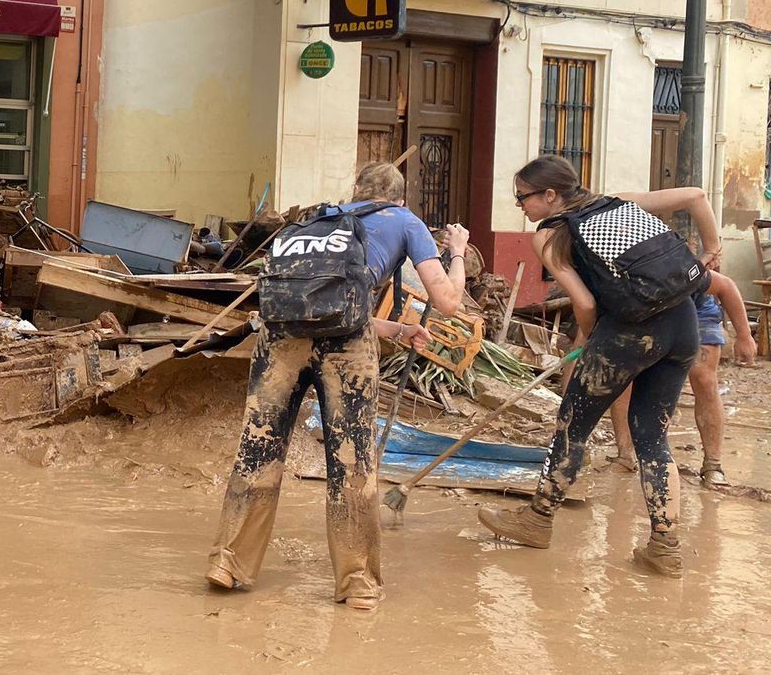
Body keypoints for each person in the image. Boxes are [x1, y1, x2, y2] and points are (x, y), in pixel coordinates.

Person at [206, 162, 469, 610]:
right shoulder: (405, 221)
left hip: (279, 339)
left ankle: (228, 563)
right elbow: (447, 301)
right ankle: (358, 583)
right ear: (400, 199)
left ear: (356, 191)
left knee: (258, 451)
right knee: (351, 460)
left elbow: (319, 304)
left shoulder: (318, 219)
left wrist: (395, 331)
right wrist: (457, 250)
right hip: (344, 347)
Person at [479, 155, 719, 578]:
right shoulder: (620, 201)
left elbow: (586, 304)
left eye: (523, 198)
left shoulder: (552, 234)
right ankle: (664, 546)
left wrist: (588, 339)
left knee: (572, 426)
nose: (521, 207)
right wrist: (712, 249)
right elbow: (698, 196)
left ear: (550, 195)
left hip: (628, 333)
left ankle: (537, 520)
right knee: (653, 436)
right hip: (683, 326)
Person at [605, 268, 755, 486]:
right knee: (624, 376)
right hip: (644, 314)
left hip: (696, 311)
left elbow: (726, 286)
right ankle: (625, 456)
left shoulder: (675, 267)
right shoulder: (611, 273)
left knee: (703, 377)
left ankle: (713, 465)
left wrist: (744, 336)